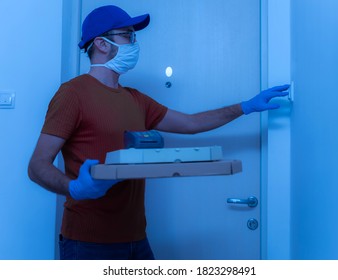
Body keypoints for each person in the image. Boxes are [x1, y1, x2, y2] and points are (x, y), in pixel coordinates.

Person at [28, 5, 289, 260]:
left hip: (136, 240)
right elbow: (37, 165)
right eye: (127, 35)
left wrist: (245, 107)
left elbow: (191, 124)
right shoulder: (72, 94)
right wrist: (75, 188)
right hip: (87, 244)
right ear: (102, 44)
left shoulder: (136, 99)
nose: (135, 43)